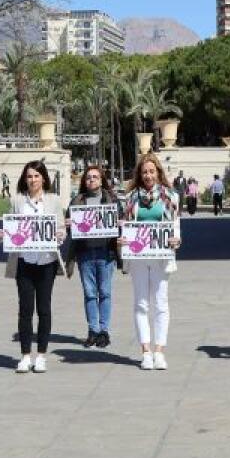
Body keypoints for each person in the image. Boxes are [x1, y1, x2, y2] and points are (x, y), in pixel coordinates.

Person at [0, 160, 66, 374]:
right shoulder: (17, 201)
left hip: (46, 262)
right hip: (24, 262)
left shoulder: (54, 201)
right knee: (25, 310)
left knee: (44, 309)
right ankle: (26, 356)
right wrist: (3, 235)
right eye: (29, 176)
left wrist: (59, 235)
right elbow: (11, 228)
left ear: (43, 178)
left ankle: (41, 355)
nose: (33, 180)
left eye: (36, 176)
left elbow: (61, 228)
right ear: (24, 179)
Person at [119, 153, 182, 370]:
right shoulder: (130, 198)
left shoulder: (171, 196)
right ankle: (145, 351)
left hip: (161, 257)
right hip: (138, 258)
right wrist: (122, 239)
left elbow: (175, 225)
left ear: (158, 173)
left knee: (161, 303)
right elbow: (126, 225)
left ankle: (159, 351)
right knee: (141, 304)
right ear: (139, 174)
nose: (148, 175)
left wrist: (176, 239)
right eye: (144, 172)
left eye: (151, 171)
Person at [64, 166, 120, 349]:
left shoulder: (112, 200)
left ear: (102, 180)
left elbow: (123, 222)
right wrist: (68, 224)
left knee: (105, 293)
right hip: (84, 253)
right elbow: (67, 225)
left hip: (106, 252)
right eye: (88, 177)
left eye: (95, 177)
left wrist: (121, 223)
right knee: (89, 294)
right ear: (84, 181)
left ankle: (104, 331)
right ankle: (93, 330)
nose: (91, 180)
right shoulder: (77, 201)